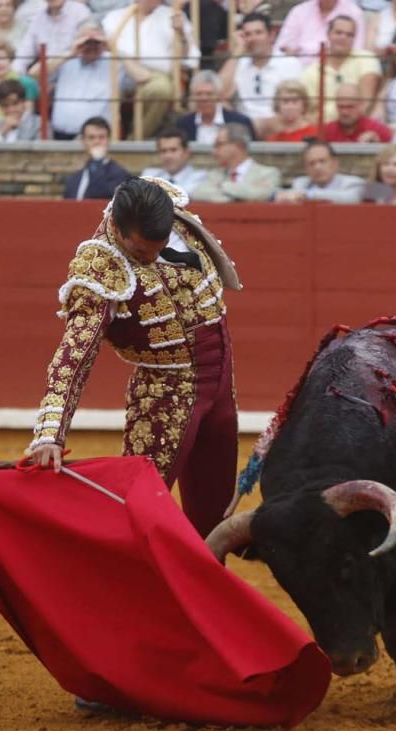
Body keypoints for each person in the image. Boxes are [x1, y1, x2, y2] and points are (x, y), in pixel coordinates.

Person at [26, 176, 242, 541]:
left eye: (158, 248)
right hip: (165, 395)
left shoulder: (164, 209)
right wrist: (50, 434)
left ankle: (199, 595)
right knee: (134, 509)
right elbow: (72, 358)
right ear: (120, 231)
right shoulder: (101, 268)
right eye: (142, 254)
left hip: (221, 383)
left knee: (214, 515)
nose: (153, 258)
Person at [102, 0, 200, 138]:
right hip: (116, 74)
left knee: (161, 88)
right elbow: (105, 49)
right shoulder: (114, 17)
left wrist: (181, 34)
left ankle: (134, 141)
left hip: (154, 77)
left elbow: (190, 59)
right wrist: (128, 63)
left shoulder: (174, 16)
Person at [218, 13, 302, 136]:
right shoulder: (239, 64)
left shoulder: (290, 63)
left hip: (279, 125)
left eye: (258, 33)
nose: (253, 38)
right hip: (244, 127)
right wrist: (238, 51)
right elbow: (218, 92)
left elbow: (296, 104)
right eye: (248, 34)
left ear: (271, 36)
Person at [300, 15, 381, 120]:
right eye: (338, 33)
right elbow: (308, 114)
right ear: (328, 34)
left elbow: (365, 105)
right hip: (324, 131)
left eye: (349, 35)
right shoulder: (310, 72)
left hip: (357, 127)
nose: (343, 37)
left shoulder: (366, 59)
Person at [47, 20, 112, 140]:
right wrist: (71, 53)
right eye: (86, 42)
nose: (91, 46)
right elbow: (34, 74)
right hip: (60, 136)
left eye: (95, 42)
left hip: (95, 138)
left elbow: (142, 76)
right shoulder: (66, 59)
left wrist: (113, 47)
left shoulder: (114, 61)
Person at [192, 123, 282, 203]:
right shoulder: (215, 175)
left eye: (219, 144)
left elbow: (262, 195)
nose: (214, 152)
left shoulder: (268, 173)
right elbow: (198, 194)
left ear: (237, 145)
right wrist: (242, 198)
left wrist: (223, 186)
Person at [13, 0, 92, 77]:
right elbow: (24, 53)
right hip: (46, 77)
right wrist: (14, 75)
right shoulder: (38, 17)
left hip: (75, 74)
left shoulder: (80, 12)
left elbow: (85, 48)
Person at [176, 70, 256, 145]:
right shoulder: (183, 125)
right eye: (199, 94)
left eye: (209, 94)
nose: (204, 98)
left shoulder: (240, 122)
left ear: (219, 96)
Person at [275, 140, 365, 204]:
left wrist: (308, 195)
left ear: (335, 163)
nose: (317, 167)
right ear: (306, 168)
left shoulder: (353, 183)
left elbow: (350, 198)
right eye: (311, 163)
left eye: (322, 161)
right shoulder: (301, 183)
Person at [63, 116, 131, 199]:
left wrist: (98, 160)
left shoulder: (120, 175)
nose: (96, 142)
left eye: (101, 137)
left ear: (108, 141)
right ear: (83, 141)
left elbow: (98, 194)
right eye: (91, 138)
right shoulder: (74, 179)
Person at [275, 0, 365, 62]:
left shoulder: (354, 12)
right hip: (300, 73)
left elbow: (357, 51)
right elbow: (283, 48)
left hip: (340, 69)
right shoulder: (299, 11)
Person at [141, 128, 206, 196]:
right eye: (163, 151)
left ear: (186, 152)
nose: (168, 156)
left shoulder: (200, 177)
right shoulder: (149, 175)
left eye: (173, 150)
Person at [322, 84, 394, 143]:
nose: (344, 112)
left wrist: (377, 143)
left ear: (361, 105)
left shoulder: (378, 131)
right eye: (341, 107)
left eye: (350, 107)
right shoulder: (326, 131)